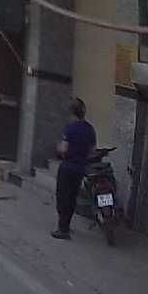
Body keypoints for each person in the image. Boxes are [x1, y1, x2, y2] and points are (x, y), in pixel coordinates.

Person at [51, 98, 97, 240]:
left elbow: (64, 149)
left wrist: (57, 147)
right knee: (72, 197)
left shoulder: (70, 128)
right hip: (80, 168)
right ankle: (66, 224)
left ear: (71, 112)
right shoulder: (90, 129)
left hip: (67, 167)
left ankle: (63, 229)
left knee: (62, 198)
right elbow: (92, 151)